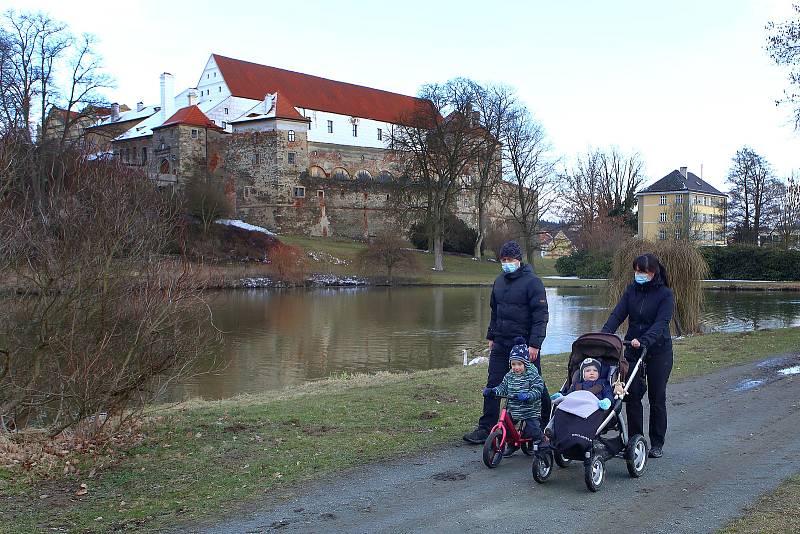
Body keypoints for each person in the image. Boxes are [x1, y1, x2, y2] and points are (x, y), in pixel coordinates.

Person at [463, 240, 550, 444]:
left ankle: (543, 420)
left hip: (524, 345)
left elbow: (541, 316)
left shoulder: (533, 283)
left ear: (518, 260)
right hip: (501, 342)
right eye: (503, 260)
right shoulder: (499, 281)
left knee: (534, 385)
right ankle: (486, 427)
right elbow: (495, 311)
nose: (506, 263)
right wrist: (491, 336)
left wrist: (535, 344)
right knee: (494, 384)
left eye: (509, 259)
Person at [601, 253, 674, 458]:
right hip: (633, 348)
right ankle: (635, 440)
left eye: (642, 271)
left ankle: (657, 442)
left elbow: (661, 323)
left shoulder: (665, 295)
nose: (638, 275)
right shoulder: (631, 290)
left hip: (658, 350)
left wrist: (645, 340)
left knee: (656, 397)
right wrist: (604, 334)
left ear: (652, 272)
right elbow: (618, 314)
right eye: (636, 271)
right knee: (631, 394)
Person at [482, 337, 545, 442]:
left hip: (529, 410)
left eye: (519, 364)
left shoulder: (532, 375)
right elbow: (503, 387)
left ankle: (542, 447)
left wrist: (528, 396)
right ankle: (511, 444)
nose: (516, 367)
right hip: (514, 409)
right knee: (507, 427)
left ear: (525, 363)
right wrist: (493, 391)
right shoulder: (509, 376)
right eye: (513, 364)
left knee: (534, 431)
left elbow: (538, 389)